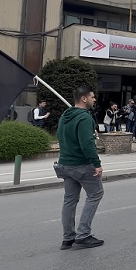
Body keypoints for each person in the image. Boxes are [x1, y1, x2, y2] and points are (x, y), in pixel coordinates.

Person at [56, 86, 104, 250]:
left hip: (65, 163)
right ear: (84, 99)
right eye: (92, 97)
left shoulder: (65, 115)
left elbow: (60, 136)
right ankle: (83, 234)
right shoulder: (84, 118)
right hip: (81, 164)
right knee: (96, 194)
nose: (94, 99)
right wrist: (96, 163)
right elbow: (87, 143)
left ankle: (67, 237)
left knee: (69, 200)